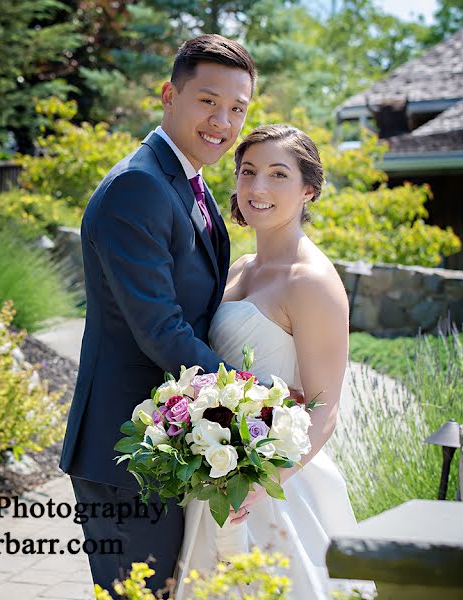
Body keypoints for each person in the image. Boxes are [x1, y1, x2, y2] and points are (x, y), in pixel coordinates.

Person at [58, 35, 257, 596]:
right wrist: (253, 399)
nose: (223, 120)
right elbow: (161, 330)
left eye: (238, 108)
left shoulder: (186, 181)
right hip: (125, 450)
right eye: (207, 101)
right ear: (170, 94)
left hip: (167, 441)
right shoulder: (138, 187)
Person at [174, 124, 361, 600]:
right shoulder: (239, 269)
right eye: (248, 172)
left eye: (279, 175)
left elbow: (325, 406)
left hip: (274, 484)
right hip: (217, 472)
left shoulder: (311, 281)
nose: (258, 188)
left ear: (308, 190)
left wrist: (263, 482)